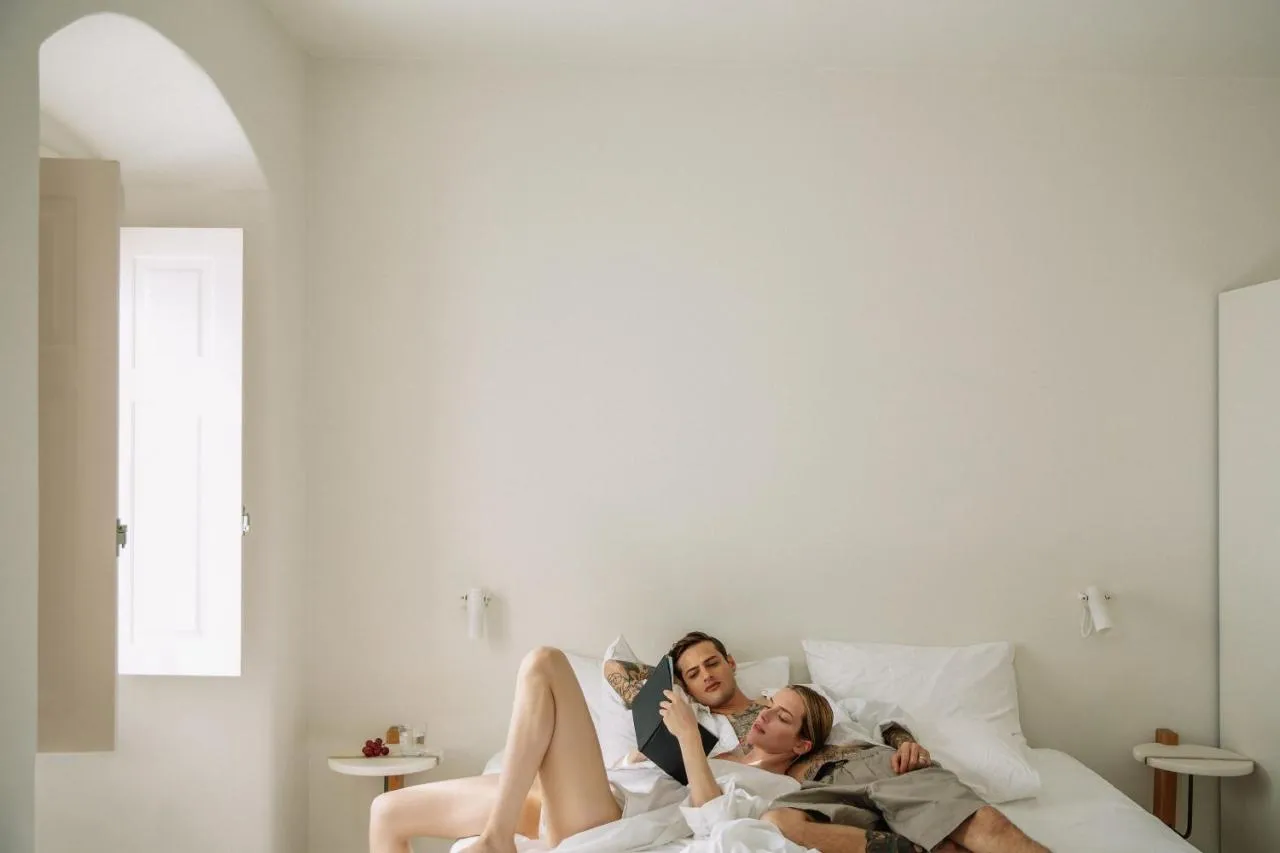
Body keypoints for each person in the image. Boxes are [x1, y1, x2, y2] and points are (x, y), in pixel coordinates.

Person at [368, 641, 832, 853]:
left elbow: (715, 823)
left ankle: (496, 840)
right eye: (769, 704)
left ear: (802, 743)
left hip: (608, 814)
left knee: (544, 663)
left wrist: (689, 738)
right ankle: (499, 833)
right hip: (589, 789)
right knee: (386, 812)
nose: (765, 714)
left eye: (781, 716)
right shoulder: (724, 744)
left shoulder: (777, 787)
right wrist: (645, 753)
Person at [614, 632, 1053, 853]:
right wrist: (672, 698)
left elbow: (877, 717)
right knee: (781, 823)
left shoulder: (795, 695)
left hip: (861, 764)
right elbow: (614, 668)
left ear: (730, 663)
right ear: (686, 687)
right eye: (693, 674)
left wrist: (905, 742)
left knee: (975, 829)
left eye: (712, 663)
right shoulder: (700, 734)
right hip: (809, 795)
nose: (707, 675)